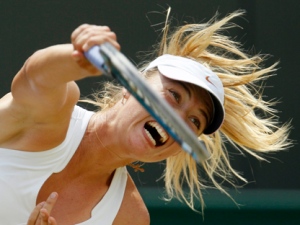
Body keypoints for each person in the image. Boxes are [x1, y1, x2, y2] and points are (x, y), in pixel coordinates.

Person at [0, 10, 291, 225]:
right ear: (130, 88)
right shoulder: (53, 113)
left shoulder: (130, 217)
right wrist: (78, 57)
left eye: (194, 122)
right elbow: (36, 77)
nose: (176, 118)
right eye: (174, 96)